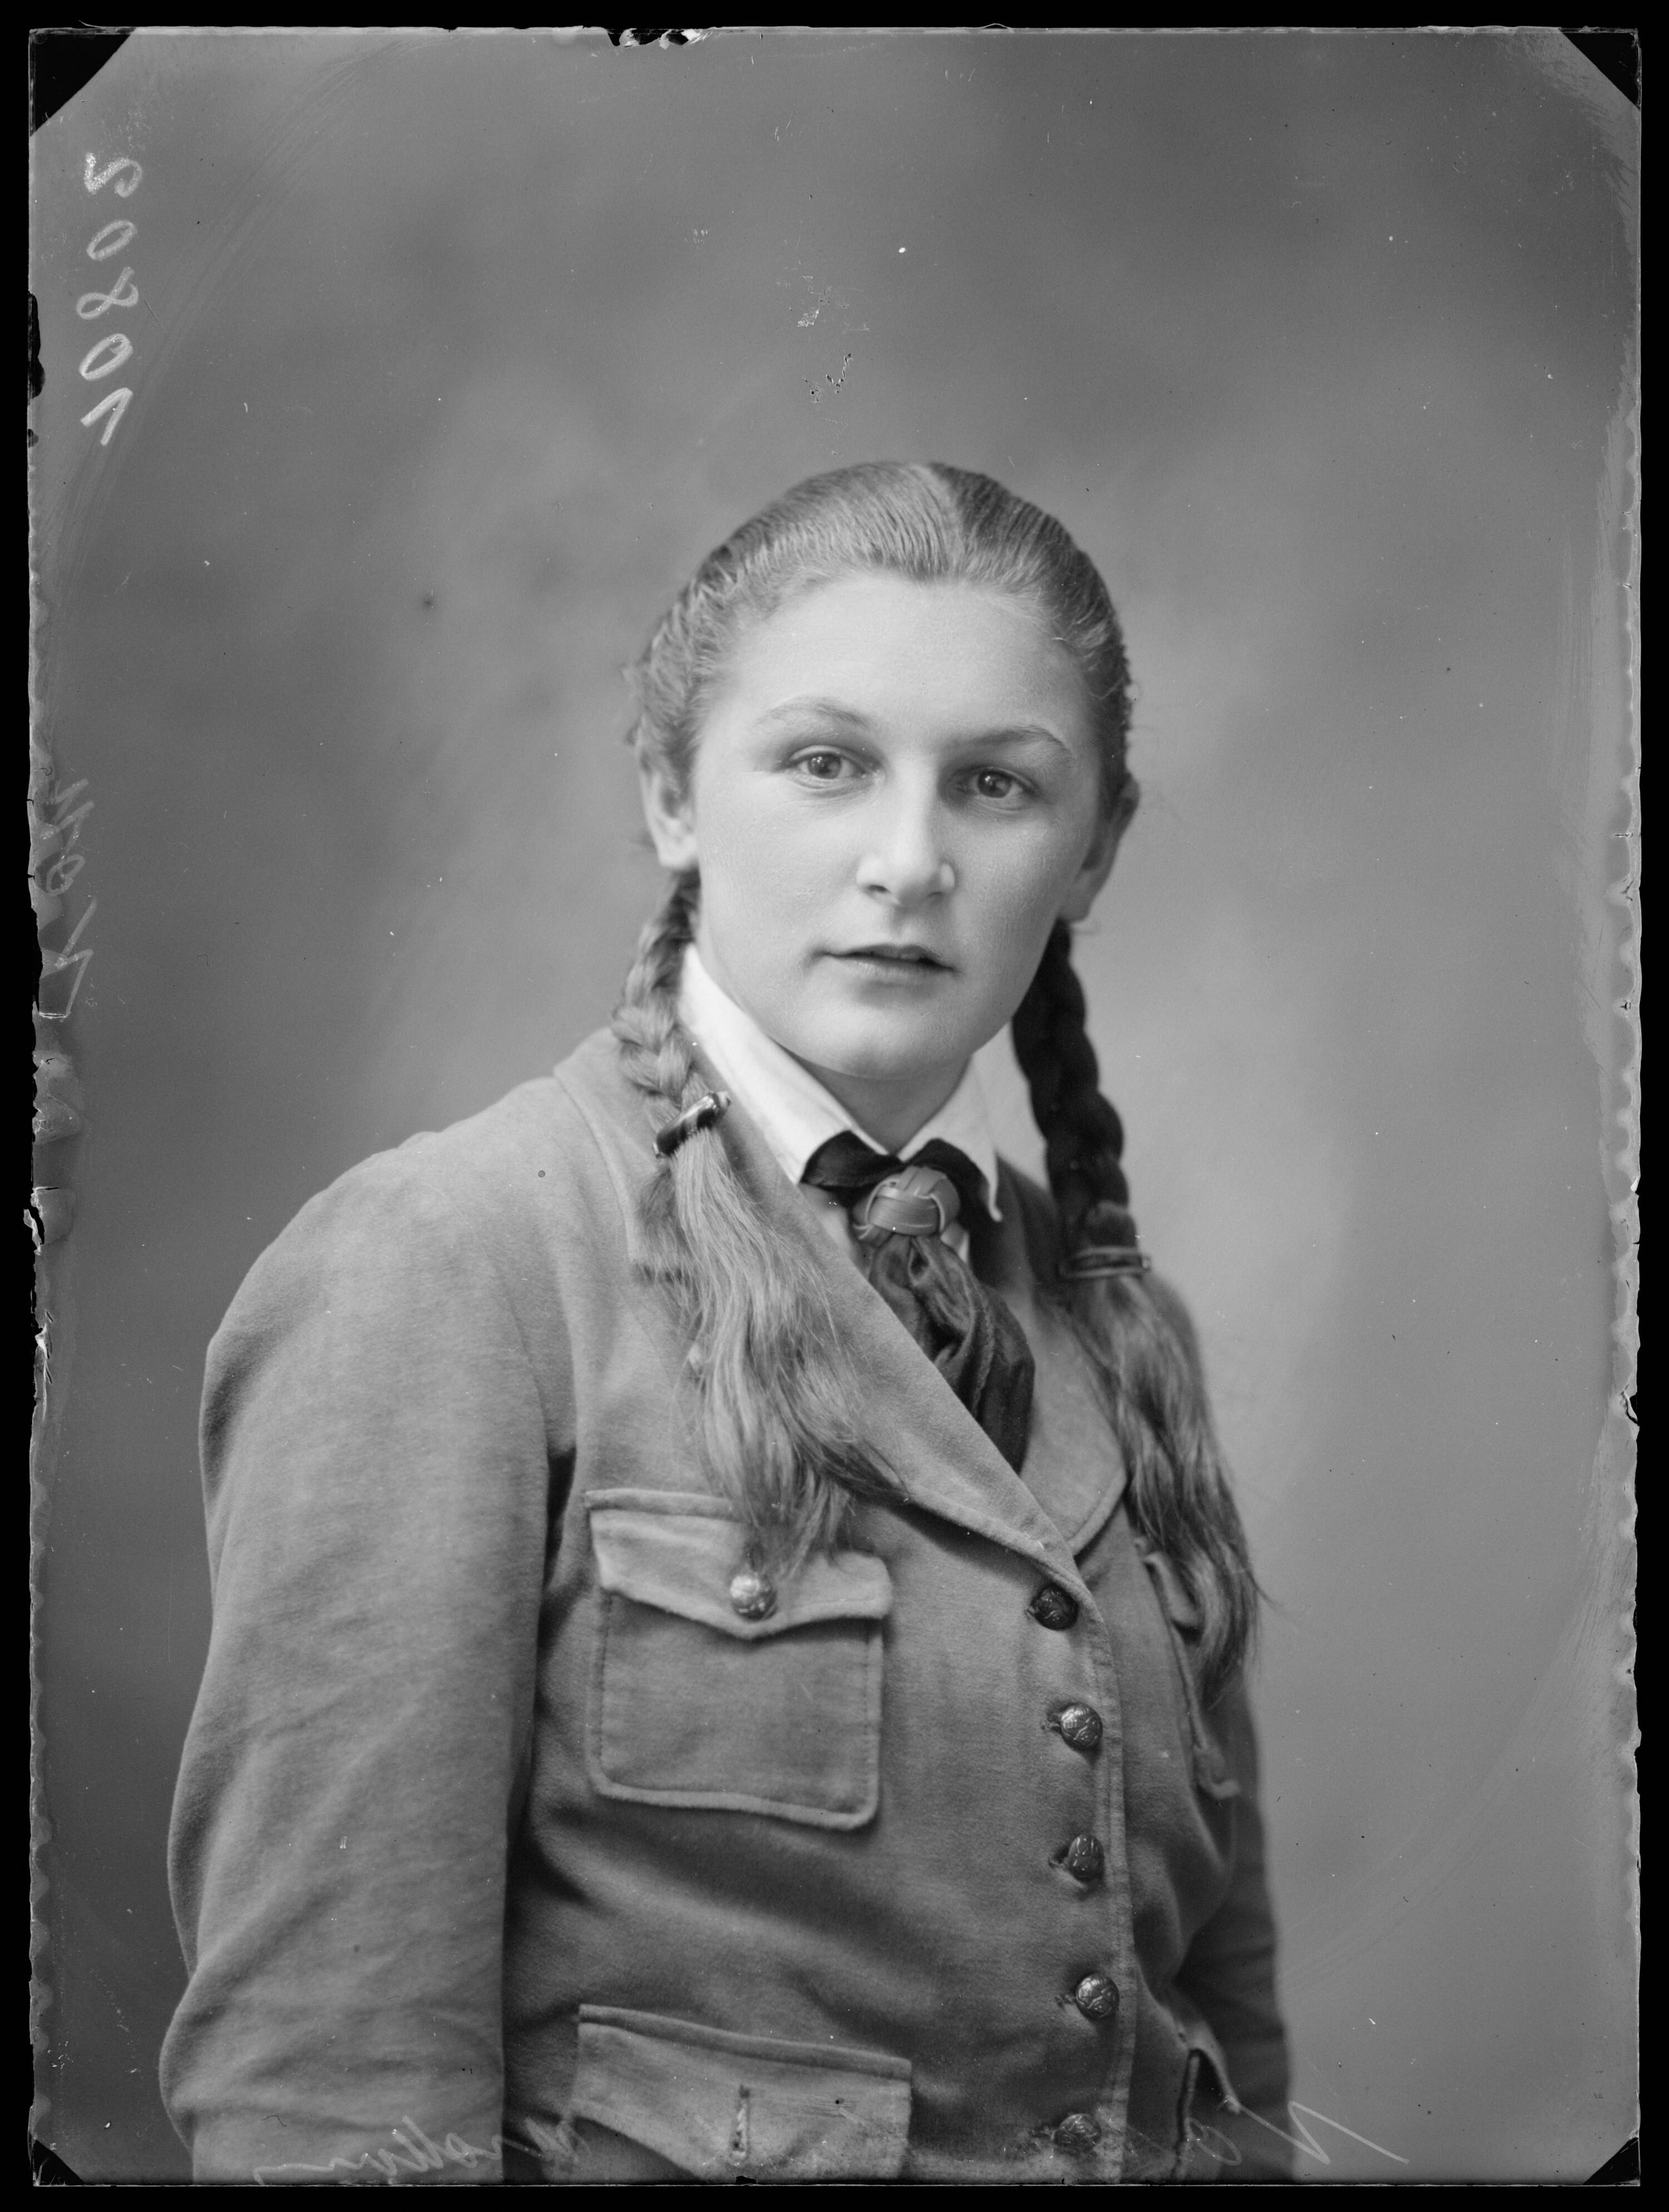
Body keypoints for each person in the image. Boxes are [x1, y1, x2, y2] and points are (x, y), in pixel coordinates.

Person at [161, 462, 1292, 2185]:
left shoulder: (1122, 1327)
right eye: (826, 763)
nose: (908, 861)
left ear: (1096, 849)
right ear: (670, 793)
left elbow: (1223, 2052)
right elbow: (323, 2084)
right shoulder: (452, 1262)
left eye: (995, 783)